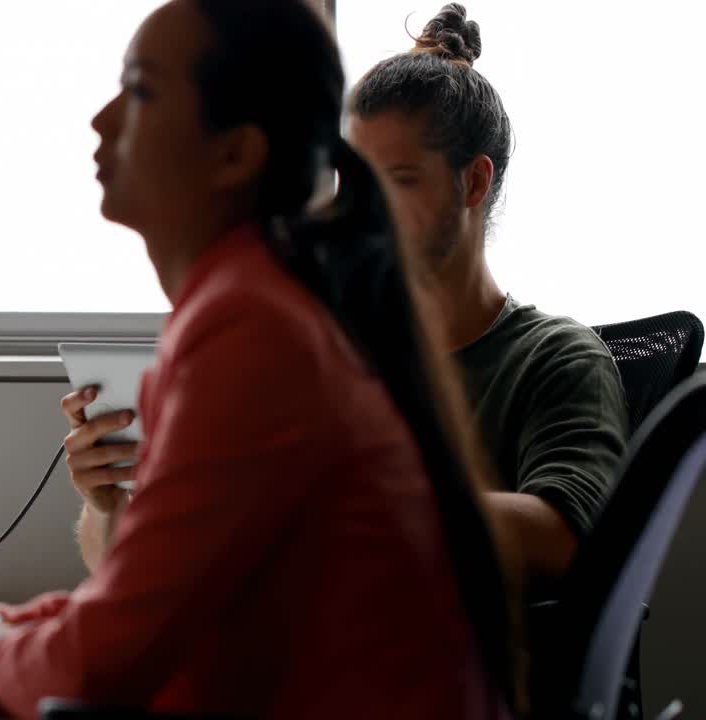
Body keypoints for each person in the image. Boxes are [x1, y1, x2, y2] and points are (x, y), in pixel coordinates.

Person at [0, 1, 517, 717]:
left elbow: (103, 660)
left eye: (139, 90)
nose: (101, 120)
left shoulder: (255, 328)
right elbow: (131, 608)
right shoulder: (250, 304)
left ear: (235, 152)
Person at [67, 2, 627, 585]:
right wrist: (109, 502)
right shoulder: (322, 347)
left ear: (473, 182)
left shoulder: (558, 359)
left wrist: (348, 492)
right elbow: (149, 575)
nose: (365, 210)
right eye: (357, 180)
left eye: (398, 181)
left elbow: (566, 537)